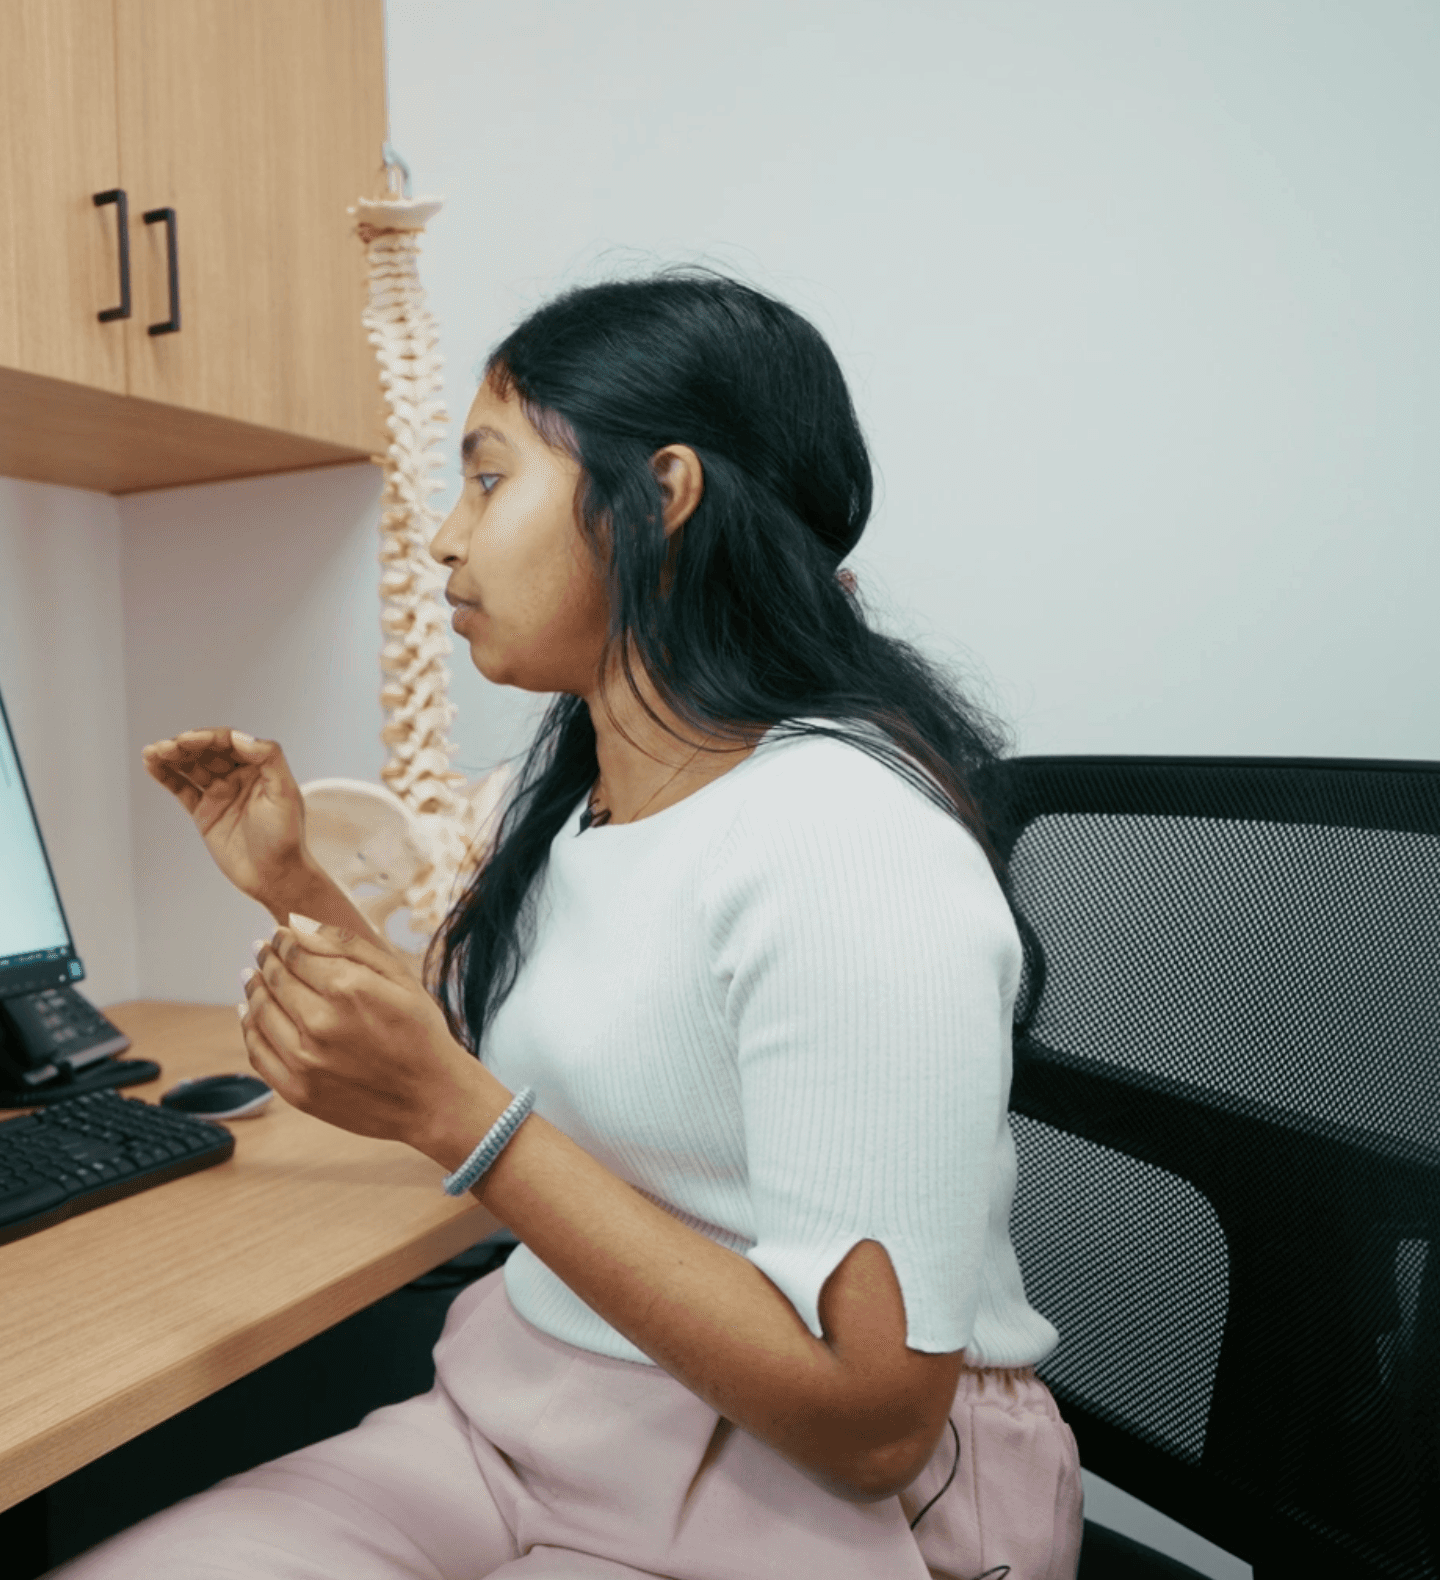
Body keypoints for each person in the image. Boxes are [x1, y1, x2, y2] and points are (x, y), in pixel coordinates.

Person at [55, 272, 1079, 1580]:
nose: (442, 539)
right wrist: (296, 886)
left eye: (486, 480)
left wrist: (451, 1116)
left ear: (662, 496)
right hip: (530, 1414)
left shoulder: (842, 842)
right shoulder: (586, 803)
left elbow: (868, 1423)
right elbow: (537, 1079)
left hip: (823, 1504)